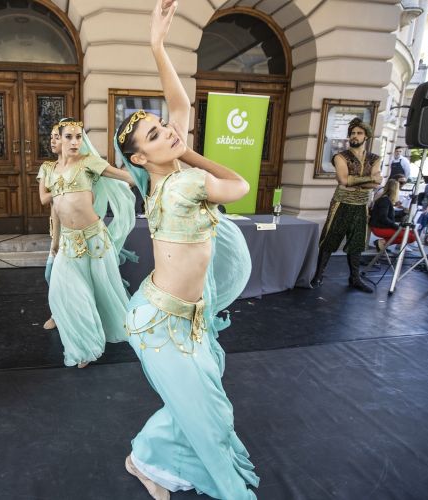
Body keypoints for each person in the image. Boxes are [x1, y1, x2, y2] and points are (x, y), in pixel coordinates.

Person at [114, 1, 258, 498]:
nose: (169, 132)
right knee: (206, 407)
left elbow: (180, 109)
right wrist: (189, 150)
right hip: (158, 322)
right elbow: (238, 185)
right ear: (139, 158)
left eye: (164, 128)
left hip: (188, 317)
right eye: (155, 135)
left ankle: (147, 460)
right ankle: (143, 460)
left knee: (200, 402)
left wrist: (157, 47)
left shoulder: (165, 177)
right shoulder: (186, 182)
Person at [40, 116, 136, 368]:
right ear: (58, 139)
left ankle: (87, 344)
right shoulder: (51, 171)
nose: (74, 141)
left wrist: (148, 169)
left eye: (78, 136)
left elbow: (126, 178)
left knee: (101, 289)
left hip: (94, 239)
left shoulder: (89, 163)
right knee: (63, 290)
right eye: (68, 136)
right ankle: (81, 338)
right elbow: (56, 210)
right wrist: (55, 242)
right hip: (69, 243)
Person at [311, 117, 382, 293]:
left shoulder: (374, 158)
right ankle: (318, 276)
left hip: (361, 205)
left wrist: (361, 181)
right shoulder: (341, 157)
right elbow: (343, 180)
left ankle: (355, 278)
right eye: (352, 133)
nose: (355, 136)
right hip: (342, 203)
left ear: (366, 137)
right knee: (330, 238)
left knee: (357, 241)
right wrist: (370, 179)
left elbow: (376, 183)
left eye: (359, 133)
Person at [37, 124, 62, 330]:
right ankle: (57, 313)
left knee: (59, 276)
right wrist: (65, 188)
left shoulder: (79, 167)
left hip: (73, 230)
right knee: (50, 275)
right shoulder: (47, 167)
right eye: (51, 137)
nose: (52, 140)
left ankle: (60, 314)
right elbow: (44, 198)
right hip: (56, 228)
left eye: (56, 137)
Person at [370, 179, 417, 251]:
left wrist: (403, 212)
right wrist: (396, 227)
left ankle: (382, 242)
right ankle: (383, 242)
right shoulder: (385, 201)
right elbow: (383, 218)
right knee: (412, 236)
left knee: (410, 233)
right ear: (395, 190)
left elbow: (387, 216)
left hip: (380, 226)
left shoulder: (385, 199)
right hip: (379, 228)